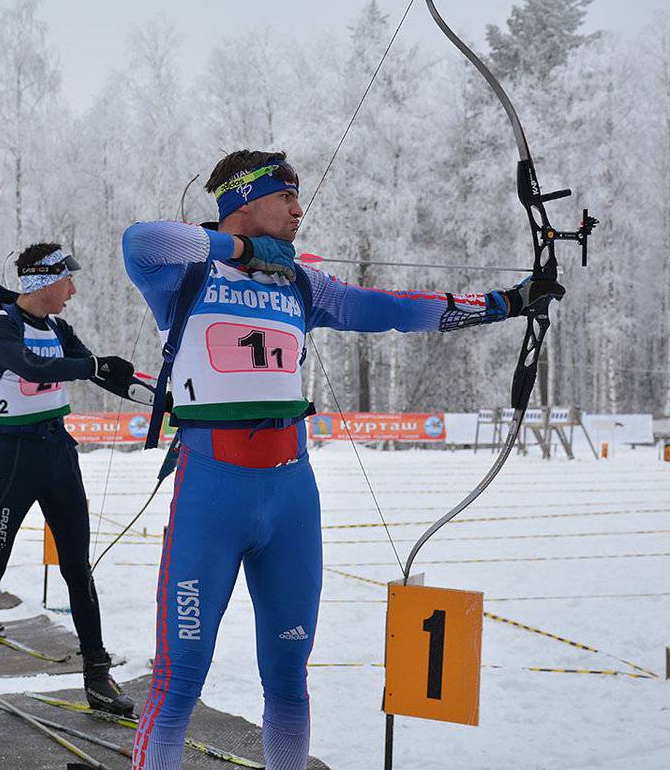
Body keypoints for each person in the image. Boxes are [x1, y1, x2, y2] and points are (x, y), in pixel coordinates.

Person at [120, 150, 566, 769]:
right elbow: (140, 240)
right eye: (287, 197)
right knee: (179, 678)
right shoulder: (183, 278)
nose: (300, 210)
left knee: (288, 677)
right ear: (245, 200)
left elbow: (397, 310)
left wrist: (506, 303)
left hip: (291, 494)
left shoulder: (305, 284)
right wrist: (242, 252)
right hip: (211, 492)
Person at [0, 243, 139, 732]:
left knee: (78, 568)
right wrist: (91, 366)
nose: (73, 290)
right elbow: (32, 367)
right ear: (41, 282)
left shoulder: (57, 328)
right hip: (14, 458)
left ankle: (97, 676)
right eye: (66, 281)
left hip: (57, 452)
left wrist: (168, 399)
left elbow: (100, 370)